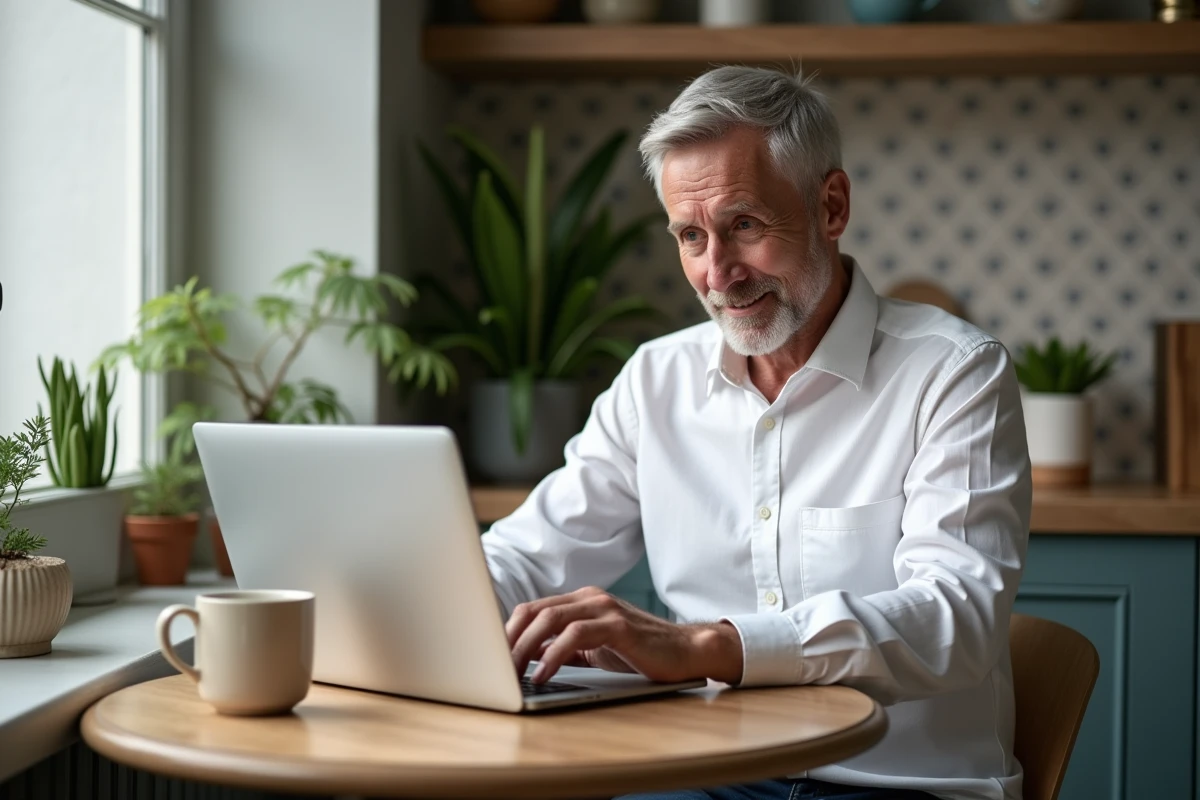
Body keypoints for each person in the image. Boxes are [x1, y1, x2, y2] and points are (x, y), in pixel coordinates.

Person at [481, 66, 1032, 800]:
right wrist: (430, 612)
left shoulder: (955, 372)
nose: (718, 274)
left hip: (898, 783)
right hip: (705, 768)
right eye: (690, 236)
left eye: (743, 225)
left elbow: (954, 618)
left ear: (829, 206)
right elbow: (525, 556)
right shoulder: (655, 381)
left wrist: (705, 647)